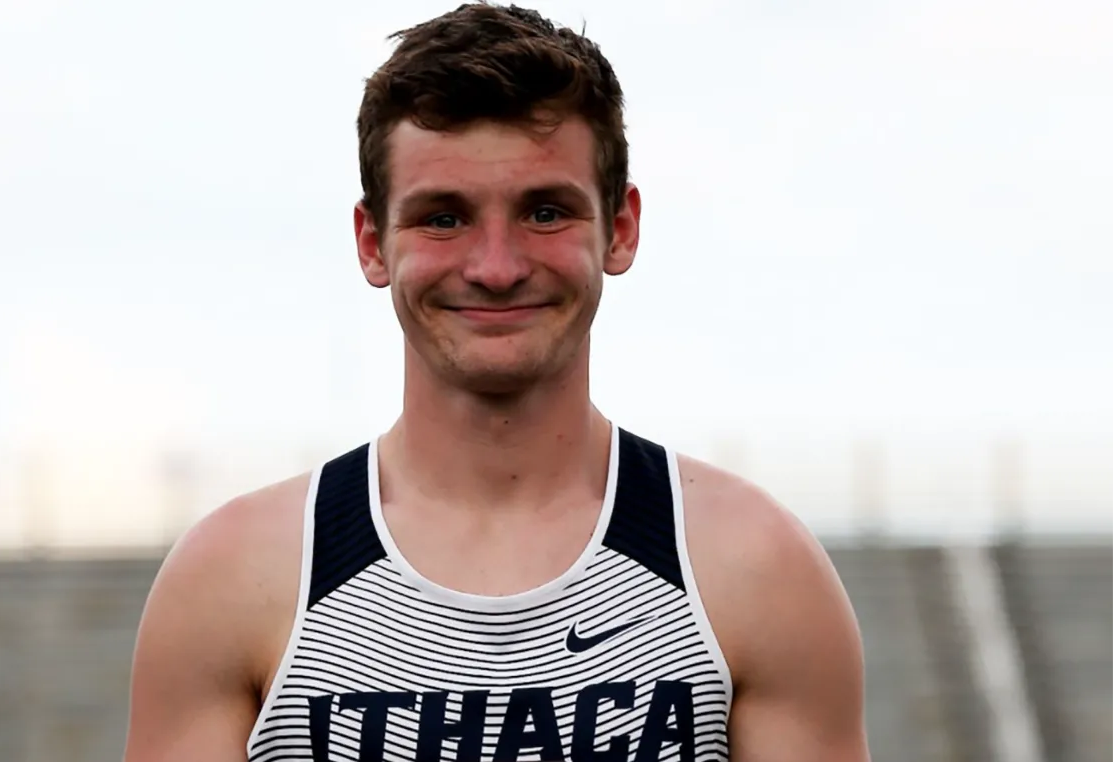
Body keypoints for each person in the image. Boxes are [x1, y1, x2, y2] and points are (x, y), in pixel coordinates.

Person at [122, 4, 870, 761]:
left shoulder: (753, 568)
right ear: (372, 243)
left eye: (545, 211)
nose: (497, 266)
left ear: (620, 228)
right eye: (443, 218)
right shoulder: (234, 579)